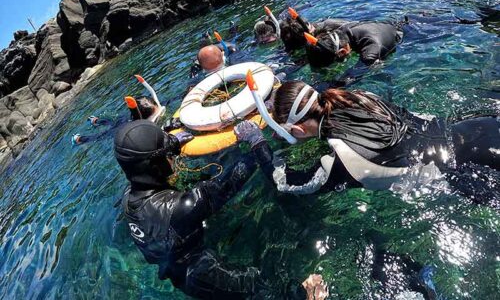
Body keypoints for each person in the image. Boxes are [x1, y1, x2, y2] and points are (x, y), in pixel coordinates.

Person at [115, 119, 320, 299]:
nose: (173, 157)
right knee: (267, 287)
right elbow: (227, 184)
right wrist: (256, 141)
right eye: (168, 154)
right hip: (204, 276)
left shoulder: (129, 197)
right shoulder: (180, 208)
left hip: (176, 270)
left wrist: (176, 143)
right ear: (154, 165)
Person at [236, 80, 499, 206]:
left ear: (296, 129)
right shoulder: (357, 96)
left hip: (469, 170)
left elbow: (282, 183)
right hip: (474, 127)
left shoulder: (334, 165)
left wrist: (256, 140)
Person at [303, 18, 406, 85]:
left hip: (411, 31)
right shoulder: (341, 31)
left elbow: (350, 78)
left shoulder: (370, 52)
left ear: (342, 52)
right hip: (394, 22)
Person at [71, 96, 162, 146]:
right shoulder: (140, 123)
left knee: (111, 122)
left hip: (126, 119)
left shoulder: (152, 110)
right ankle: (79, 139)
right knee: (102, 135)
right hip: (123, 127)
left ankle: (95, 120)